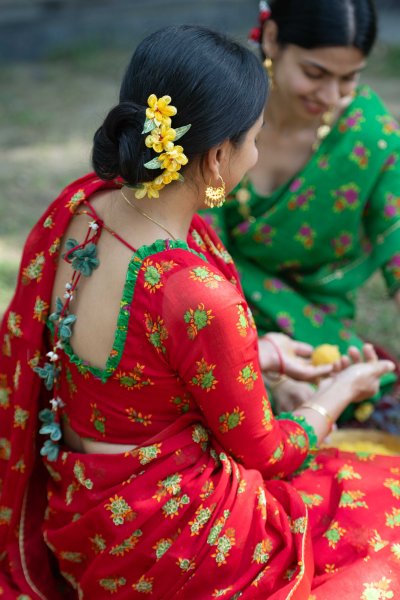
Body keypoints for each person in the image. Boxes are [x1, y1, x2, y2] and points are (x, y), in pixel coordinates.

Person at [0, 24, 398, 600]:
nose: (255, 152)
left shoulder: (80, 209)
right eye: (253, 140)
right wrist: (337, 392)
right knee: (379, 511)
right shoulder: (192, 292)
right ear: (217, 157)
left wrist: (263, 354)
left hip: (85, 525)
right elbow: (266, 453)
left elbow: (127, 378)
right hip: (179, 542)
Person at [203, 0, 400, 421]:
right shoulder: (222, 113)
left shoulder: (366, 135)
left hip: (317, 336)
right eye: (315, 73)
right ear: (272, 39)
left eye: (349, 78)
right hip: (213, 315)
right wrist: (266, 369)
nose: (331, 96)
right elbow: (192, 248)